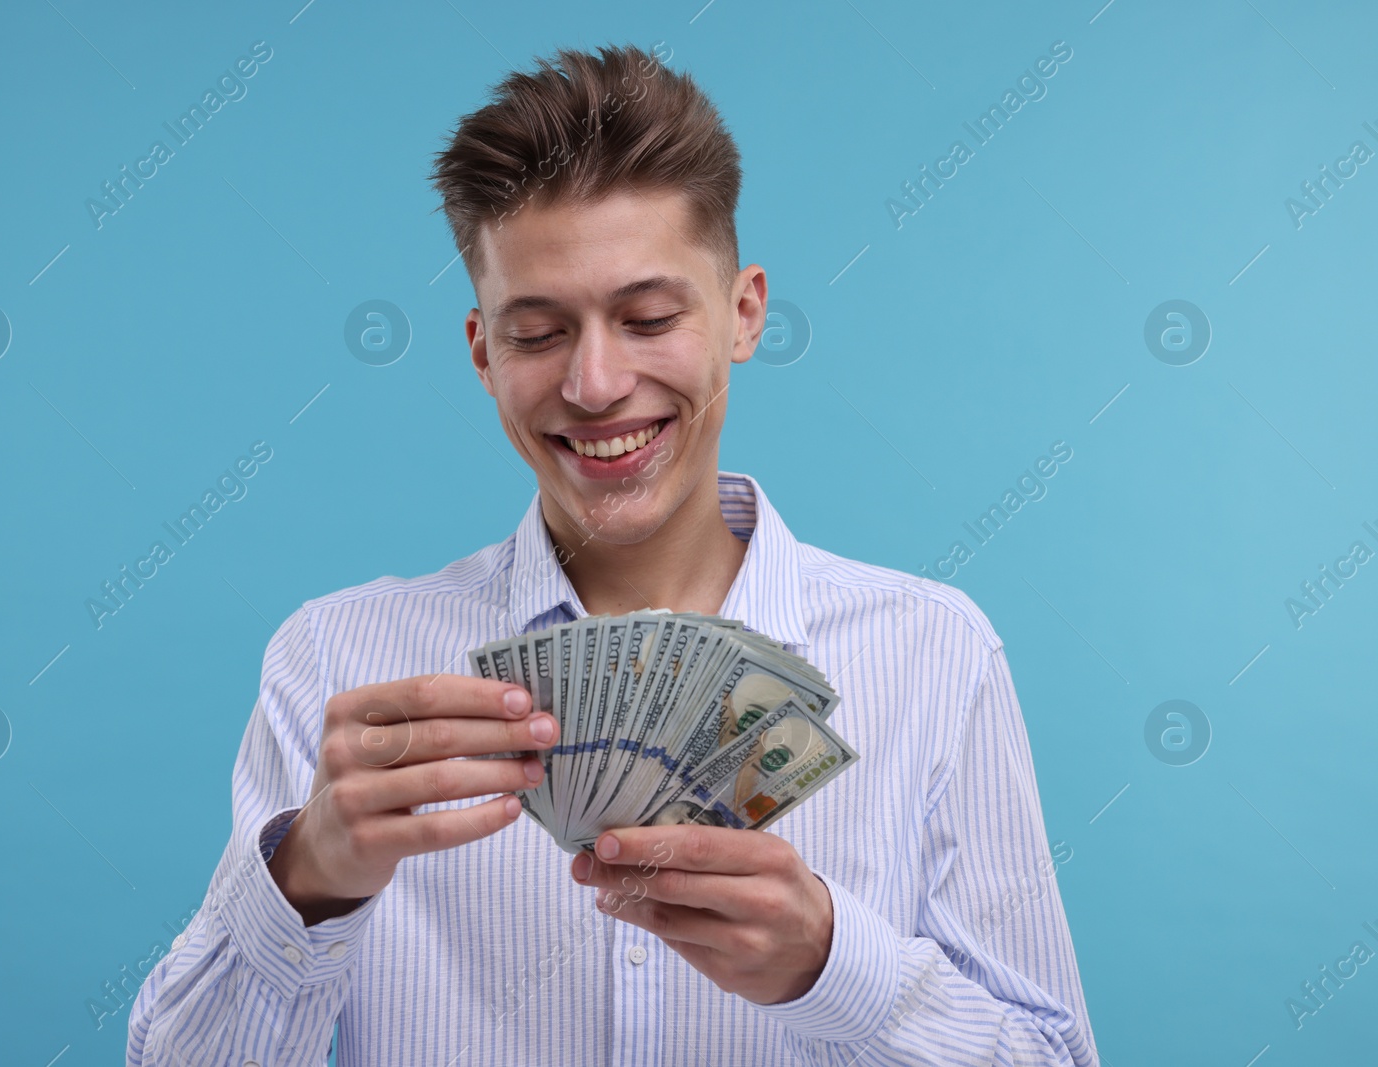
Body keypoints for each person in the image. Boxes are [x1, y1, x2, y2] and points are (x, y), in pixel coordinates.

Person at [128, 42, 1099, 1067]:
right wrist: (308, 875)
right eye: (538, 332)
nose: (595, 383)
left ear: (742, 312)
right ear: (481, 352)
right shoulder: (338, 662)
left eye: (646, 317)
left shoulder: (934, 654)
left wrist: (833, 964)